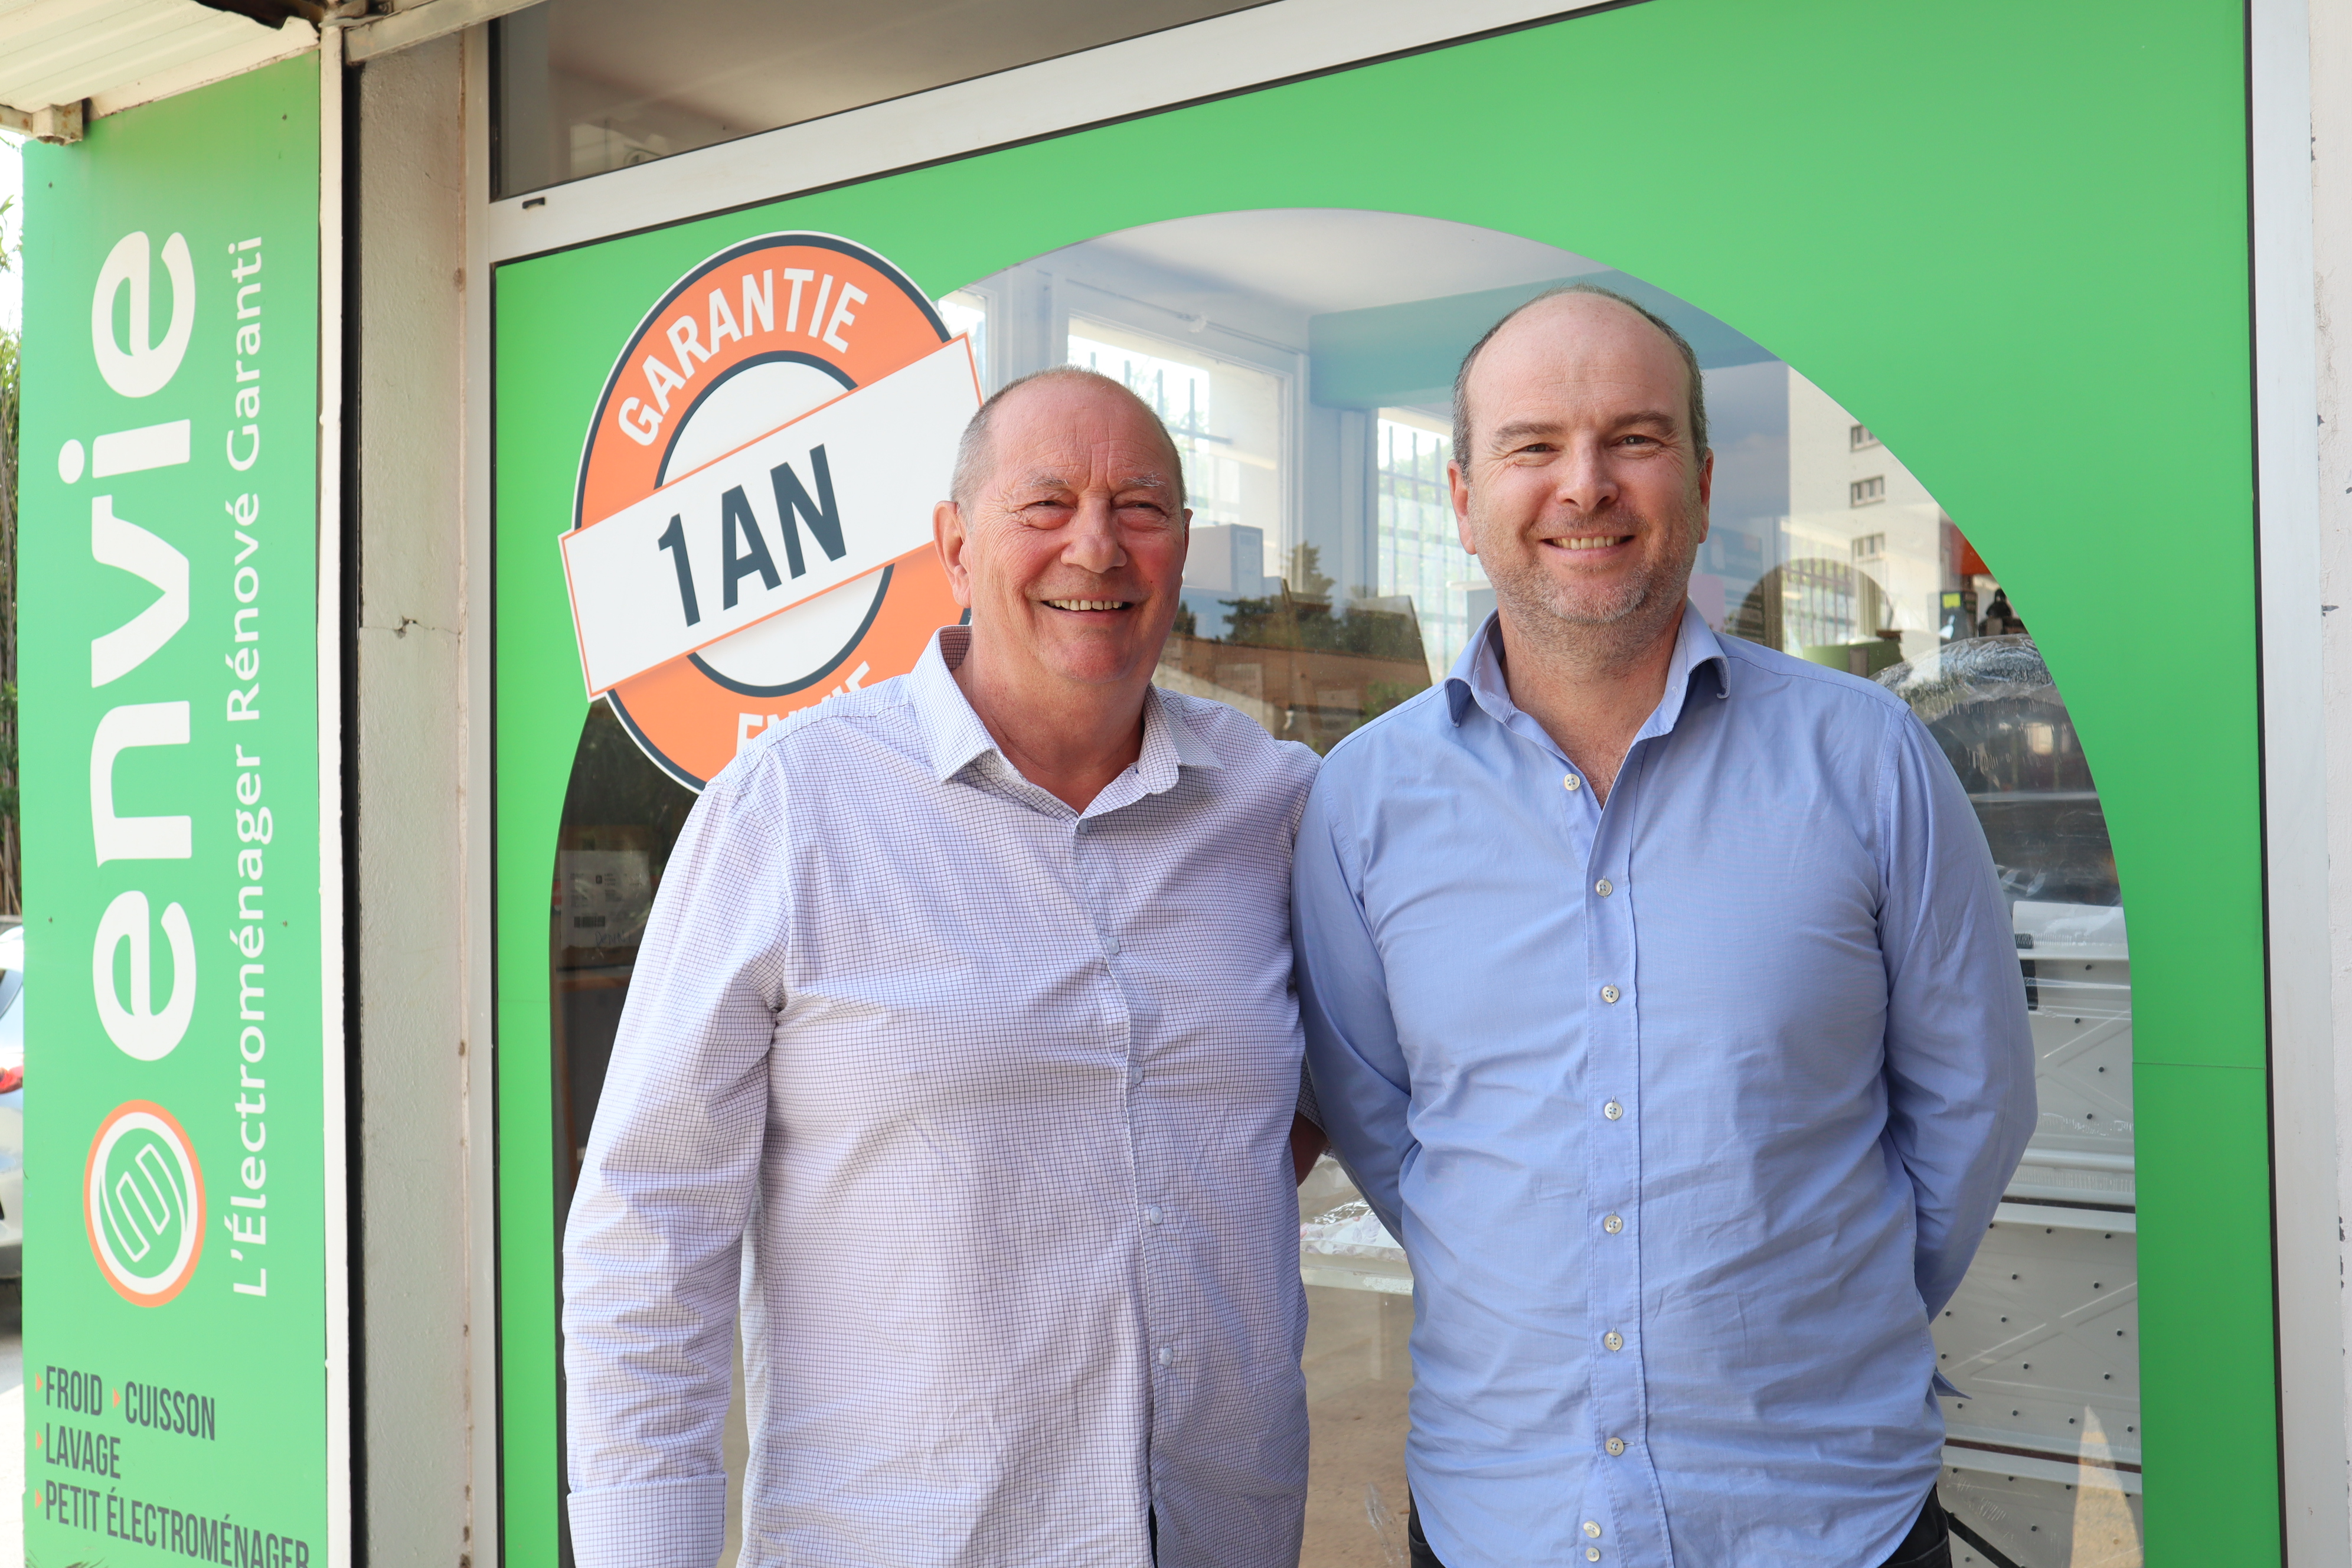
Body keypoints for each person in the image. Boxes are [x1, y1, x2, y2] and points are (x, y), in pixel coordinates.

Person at [1293, 286, 2036, 1568]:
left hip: (1826, 1521)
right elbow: (1388, 1129)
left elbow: (1972, 1100)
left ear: (1697, 482)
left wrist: (1816, 1316)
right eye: (1533, 445)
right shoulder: (1361, 801)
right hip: (1501, 1519)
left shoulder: (1869, 761)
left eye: (1632, 439)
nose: (1585, 484)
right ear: (1464, 499)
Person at [563, 367, 1321, 1568]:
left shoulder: (1274, 805)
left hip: (1225, 1535)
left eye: (1139, 508)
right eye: (1045, 505)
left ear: (1181, 548)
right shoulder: (793, 807)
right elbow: (651, 1220)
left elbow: (1325, 1096)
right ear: (955, 546)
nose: (1096, 546)